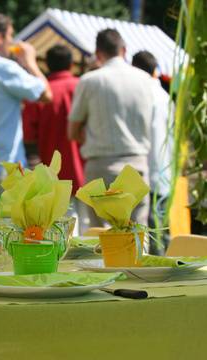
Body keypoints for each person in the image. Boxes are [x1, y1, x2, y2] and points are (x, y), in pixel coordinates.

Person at [68, 29, 154, 228]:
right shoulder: (145, 80)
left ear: (98, 54)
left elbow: (72, 131)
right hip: (137, 163)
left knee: (101, 238)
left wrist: (93, 137)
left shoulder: (90, 81)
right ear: (124, 49)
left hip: (100, 165)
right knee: (138, 232)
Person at [22, 45, 86, 234]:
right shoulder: (82, 86)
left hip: (52, 169)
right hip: (86, 166)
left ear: (47, 65)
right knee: (91, 227)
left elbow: (28, 134)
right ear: (71, 64)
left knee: (62, 226)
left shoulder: (40, 93)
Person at [0, 12, 52, 165]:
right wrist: (30, 62)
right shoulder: (3, 66)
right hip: (5, 161)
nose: (12, 41)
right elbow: (46, 94)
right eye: (10, 35)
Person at [132, 50, 173, 254]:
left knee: (147, 233)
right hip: (165, 170)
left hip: (145, 169)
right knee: (162, 230)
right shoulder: (165, 96)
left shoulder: (139, 93)